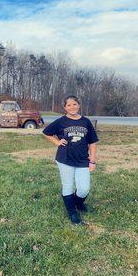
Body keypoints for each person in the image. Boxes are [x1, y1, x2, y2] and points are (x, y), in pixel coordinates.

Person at [43, 95, 99, 225]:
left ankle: (78, 202)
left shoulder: (86, 122)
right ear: (65, 107)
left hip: (82, 160)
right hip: (65, 159)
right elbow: (46, 132)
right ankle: (72, 213)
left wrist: (92, 160)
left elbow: (93, 142)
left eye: (74, 104)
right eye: (69, 105)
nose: (72, 107)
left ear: (79, 105)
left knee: (84, 188)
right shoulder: (61, 121)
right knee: (67, 186)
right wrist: (57, 142)